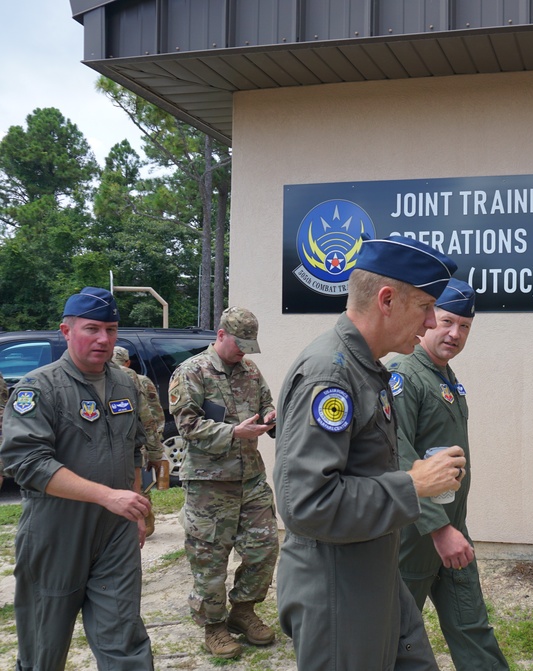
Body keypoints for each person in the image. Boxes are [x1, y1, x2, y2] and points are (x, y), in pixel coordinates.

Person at [274, 235, 468, 670]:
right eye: (425, 306)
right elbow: (306, 504)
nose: (433, 321)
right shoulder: (330, 373)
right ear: (386, 299)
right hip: (337, 588)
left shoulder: (366, 367)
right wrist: (413, 486)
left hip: (373, 572)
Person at [0, 287, 154, 670]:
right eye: (92, 329)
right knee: (44, 645)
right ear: (66, 332)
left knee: (125, 638)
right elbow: (26, 462)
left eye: (111, 329)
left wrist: (132, 506)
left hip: (116, 530)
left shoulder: (126, 384)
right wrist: (106, 495)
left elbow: (135, 448)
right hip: (56, 531)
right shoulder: (40, 387)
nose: (103, 339)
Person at [388, 279, 509, 670]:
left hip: (452, 529)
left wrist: (450, 529)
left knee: (472, 625)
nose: (455, 333)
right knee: (396, 634)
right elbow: (398, 455)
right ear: (428, 319)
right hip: (416, 535)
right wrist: (439, 530)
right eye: (447, 321)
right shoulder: (404, 374)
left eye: (465, 327)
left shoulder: (444, 376)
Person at [168, 306, 279, 659]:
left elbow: (265, 404)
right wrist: (234, 431)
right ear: (220, 335)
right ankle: (213, 626)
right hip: (209, 483)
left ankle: (243, 611)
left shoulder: (249, 369)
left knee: (265, 547)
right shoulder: (191, 372)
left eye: (249, 344)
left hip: (251, 476)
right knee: (210, 558)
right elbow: (187, 426)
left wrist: (272, 417)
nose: (244, 351)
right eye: (238, 343)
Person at [112, 346, 169, 536]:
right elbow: (153, 415)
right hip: (137, 442)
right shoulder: (138, 379)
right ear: (127, 362)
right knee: (139, 485)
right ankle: (143, 522)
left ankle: (137, 522)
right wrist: (155, 446)